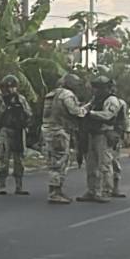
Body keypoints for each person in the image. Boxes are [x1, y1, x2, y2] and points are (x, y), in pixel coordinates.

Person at [41, 73, 88, 204]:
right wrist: (86, 109)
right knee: (59, 162)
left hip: (48, 130)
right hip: (59, 132)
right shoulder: (67, 95)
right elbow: (75, 112)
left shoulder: (52, 94)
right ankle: (55, 192)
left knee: (53, 161)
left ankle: (56, 191)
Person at [77, 75, 121, 203]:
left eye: (98, 87)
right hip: (92, 134)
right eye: (94, 87)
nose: (95, 90)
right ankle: (92, 190)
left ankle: (105, 191)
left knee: (105, 164)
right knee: (91, 165)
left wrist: (91, 114)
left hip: (103, 134)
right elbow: (86, 108)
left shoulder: (111, 100)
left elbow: (108, 115)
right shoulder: (95, 99)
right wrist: (81, 110)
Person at [0, 75, 33, 195]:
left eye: (13, 87)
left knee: (19, 159)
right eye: (8, 87)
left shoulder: (21, 99)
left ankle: (19, 186)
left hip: (19, 131)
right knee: (4, 158)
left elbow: (29, 114)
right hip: (5, 130)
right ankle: (2, 185)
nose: (10, 89)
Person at [104, 96, 130, 198]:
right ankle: (102, 189)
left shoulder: (119, 103)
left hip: (114, 136)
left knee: (114, 162)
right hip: (99, 136)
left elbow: (125, 119)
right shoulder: (96, 101)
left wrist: (128, 133)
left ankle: (114, 188)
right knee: (101, 164)